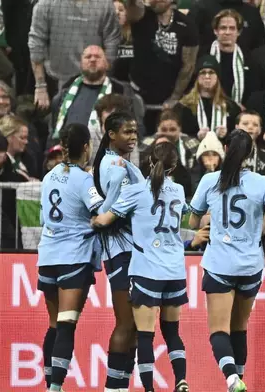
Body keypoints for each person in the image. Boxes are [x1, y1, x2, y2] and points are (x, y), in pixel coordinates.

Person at [188, 129, 265, 392]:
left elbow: (192, 220)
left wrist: (204, 228)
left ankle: (232, 379)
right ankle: (239, 379)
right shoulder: (262, 182)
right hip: (250, 266)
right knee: (239, 328)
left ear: (224, 148)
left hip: (219, 265)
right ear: (251, 153)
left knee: (219, 330)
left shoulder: (210, 180)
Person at [92, 141, 190, 392]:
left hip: (147, 269)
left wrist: (93, 218)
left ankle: (148, 389)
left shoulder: (136, 191)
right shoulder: (179, 190)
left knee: (145, 335)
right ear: (175, 166)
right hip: (176, 270)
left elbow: (105, 219)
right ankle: (181, 380)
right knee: (173, 332)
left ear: (147, 162)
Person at [37, 123, 126, 392]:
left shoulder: (49, 176)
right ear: (86, 147)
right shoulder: (85, 181)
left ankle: (49, 386)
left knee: (54, 325)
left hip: (48, 255)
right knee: (66, 324)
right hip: (74, 257)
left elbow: (44, 217)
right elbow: (101, 215)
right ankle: (56, 386)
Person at [92, 112, 144, 392]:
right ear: (111, 134)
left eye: (135, 131)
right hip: (120, 251)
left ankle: (121, 387)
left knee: (135, 324)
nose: (133, 136)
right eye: (127, 131)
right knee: (126, 323)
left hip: (132, 251)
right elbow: (111, 211)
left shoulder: (121, 163)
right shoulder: (114, 166)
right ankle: (112, 388)